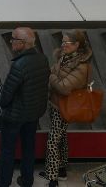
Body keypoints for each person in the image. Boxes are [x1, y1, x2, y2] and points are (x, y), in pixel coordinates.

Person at [0, 27, 51, 187]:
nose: (11, 42)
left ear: (22, 43)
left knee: (7, 150)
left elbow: (6, 95)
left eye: (13, 39)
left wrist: (3, 105)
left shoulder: (19, 65)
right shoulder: (42, 59)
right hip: (33, 113)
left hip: (14, 116)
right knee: (28, 148)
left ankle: (3, 182)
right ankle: (26, 180)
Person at [46, 30, 93, 187]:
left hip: (65, 107)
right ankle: (61, 170)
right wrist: (55, 77)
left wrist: (51, 76)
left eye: (67, 43)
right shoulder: (64, 58)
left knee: (53, 140)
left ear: (77, 45)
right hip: (56, 103)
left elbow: (64, 87)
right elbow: (57, 76)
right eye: (62, 42)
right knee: (61, 137)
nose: (63, 45)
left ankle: (52, 179)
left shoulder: (81, 66)